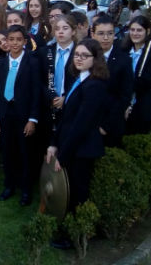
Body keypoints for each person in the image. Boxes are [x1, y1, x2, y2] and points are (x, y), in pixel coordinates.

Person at [46, 38, 107, 214]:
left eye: (85, 56)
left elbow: (81, 124)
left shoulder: (95, 85)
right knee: (69, 192)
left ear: (95, 59)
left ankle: (73, 236)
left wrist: (63, 155)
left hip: (82, 149)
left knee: (77, 194)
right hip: (70, 145)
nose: (79, 59)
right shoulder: (79, 79)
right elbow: (65, 117)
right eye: (77, 55)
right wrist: (54, 143)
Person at [0, 25, 40, 206]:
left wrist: (32, 119)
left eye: (18, 40)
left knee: (25, 152)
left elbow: (36, 93)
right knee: (8, 151)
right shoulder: (2, 63)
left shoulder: (32, 62)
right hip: (5, 114)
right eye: (11, 39)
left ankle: (26, 190)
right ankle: (9, 185)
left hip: (24, 115)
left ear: (25, 42)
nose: (14, 43)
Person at [91, 15, 133, 146]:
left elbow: (125, 96)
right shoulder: (85, 56)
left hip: (111, 124)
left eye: (110, 33)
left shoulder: (124, 60)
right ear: (92, 34)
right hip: (88, 121)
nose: (105, 38)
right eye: (101, 33)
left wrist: (106, 125)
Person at [38, 14, 77, 148]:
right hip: (50, 103)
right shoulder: (45, 52)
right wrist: (52, 97)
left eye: (65, 28)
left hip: (71, 104)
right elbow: (40, 79)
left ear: (74, 31)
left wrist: (66, 98)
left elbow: (82, 80)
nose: (61, 31)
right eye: (57, 28)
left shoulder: (80, 52)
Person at [123, 15, 151, 135]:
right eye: (132, 30)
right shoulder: (123, 49)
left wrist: (124, 85)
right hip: (121, 103)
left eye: (139, 30)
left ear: (148, 31)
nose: (135, 33)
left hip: (141, 105)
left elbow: (146, 81)